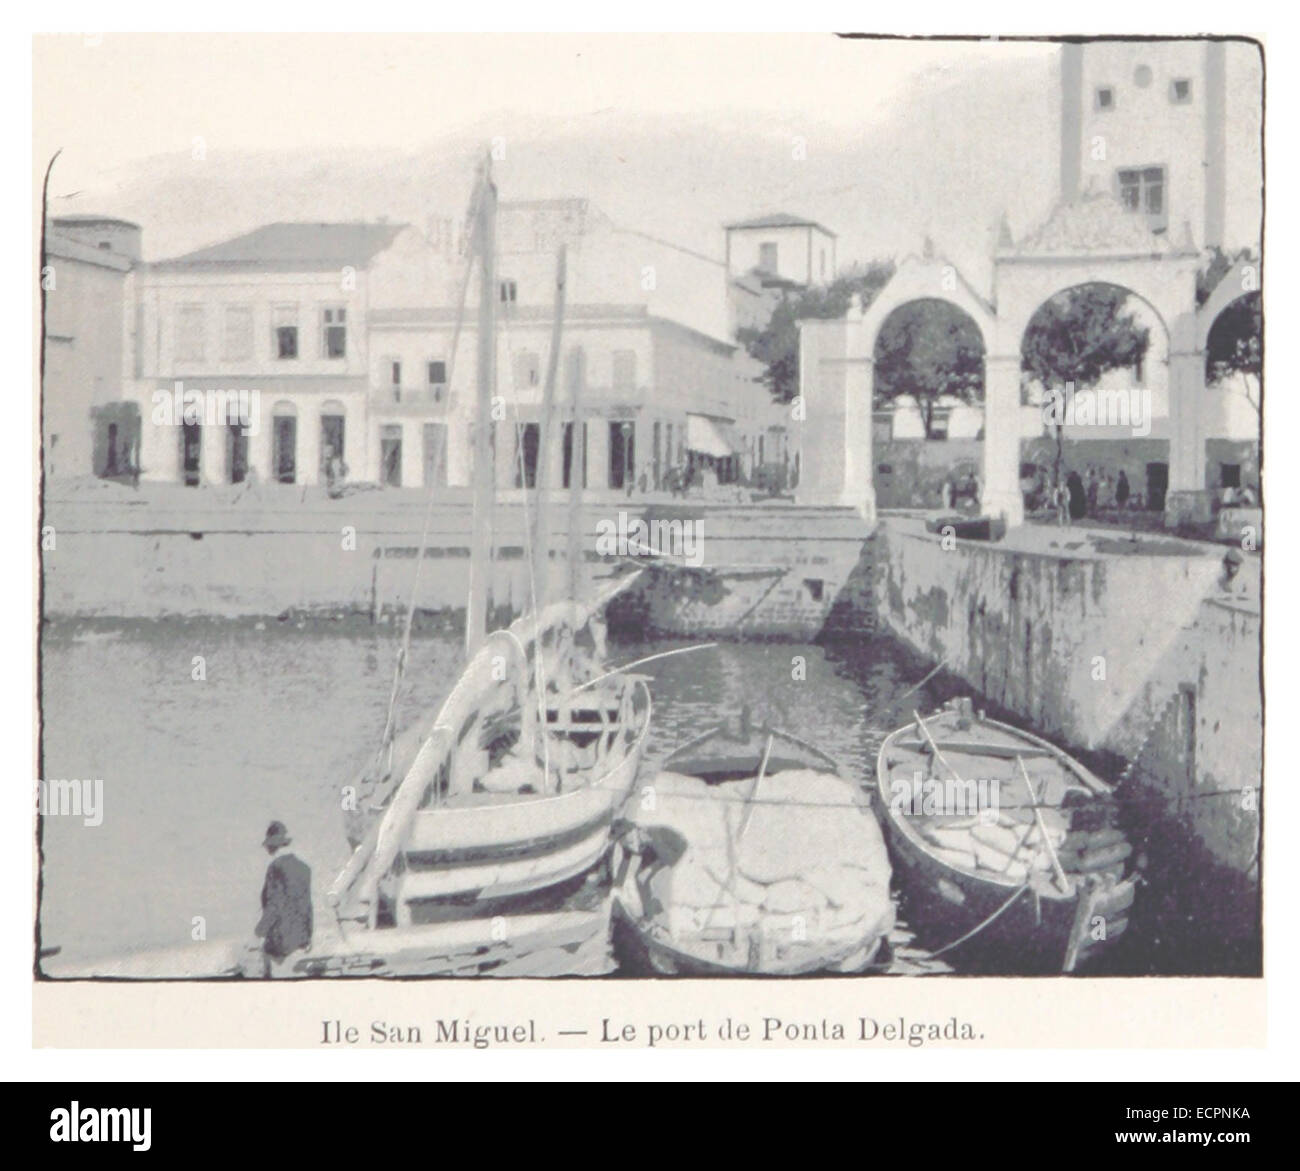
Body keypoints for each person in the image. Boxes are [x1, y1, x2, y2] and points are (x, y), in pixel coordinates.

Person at [254, 821, 312, 976]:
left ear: (272, 846)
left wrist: (259, 933)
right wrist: (308, 936)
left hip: (280, 945)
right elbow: (307, 906)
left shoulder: (276, 868)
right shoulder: (304, 868)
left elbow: (275, 904)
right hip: (301, 940)